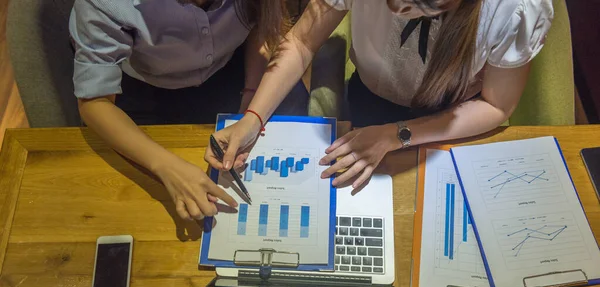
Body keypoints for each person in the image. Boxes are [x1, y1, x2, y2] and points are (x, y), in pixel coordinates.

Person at [206, 0, 554, 190]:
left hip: (456, 123)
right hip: (370, 101)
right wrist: (252, 118)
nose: (390, 8)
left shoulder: (515, 8)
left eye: (406, 6)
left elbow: (496, 105)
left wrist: (396, 134)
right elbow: (301, 41)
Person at [70, 0, 303, 221]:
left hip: (235, 70)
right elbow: (94, 102)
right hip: (149, 92)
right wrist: (167, 168)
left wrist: (251, 96)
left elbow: (260, 21)